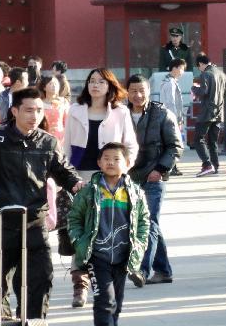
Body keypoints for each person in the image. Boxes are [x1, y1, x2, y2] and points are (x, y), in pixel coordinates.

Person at [0, 87, 83, 320]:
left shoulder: (47, 143)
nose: (34, 116)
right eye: (29, 110)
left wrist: (76, 184)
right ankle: (1, 319)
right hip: (2, 220)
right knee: (0, 280)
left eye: (39, 110)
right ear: (14, 111)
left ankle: (34, 321)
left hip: (35, 220)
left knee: (40, 276)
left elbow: (63, 170)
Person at [64, 67, 140, 307]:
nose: (95, 85)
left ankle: (124, 266)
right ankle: (80, 283)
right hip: (81, 176)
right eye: (91, 81)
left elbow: (130, 146)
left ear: (110, 86)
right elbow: (66, 147)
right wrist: (67, 177)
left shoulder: (120, 112)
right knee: (80, 228)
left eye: (100, 82)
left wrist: (122, 171)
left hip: (110, 177)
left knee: (110, 226)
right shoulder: (75, 110)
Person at [67, 142, 150, 326]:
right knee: (105, 301)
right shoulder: (89, 191)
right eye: (106, 159)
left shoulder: (135, 193)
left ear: (128, 163)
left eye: (116, 159)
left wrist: (139, 245)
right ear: (99, 162)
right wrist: (80, 243)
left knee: (116, 303)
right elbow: (74, 219)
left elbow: (144, 222)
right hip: (97, 257)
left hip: (123, 257)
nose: (110, 162)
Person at [126, 75, 183, 286]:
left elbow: (175, 146)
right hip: (129, 177)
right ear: (127, 93)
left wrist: (160, 169)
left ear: (149, 91)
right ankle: (164, 270)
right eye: (133, 91)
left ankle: (142, 270)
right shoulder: (120, 114)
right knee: (150, 225)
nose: (138, 95)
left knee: (148, 223)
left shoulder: (162, 113)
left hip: (153, 176)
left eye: (142, 90)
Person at [192, 53, 226, 178]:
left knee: (198, 139)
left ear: (201, 64)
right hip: (219, 112)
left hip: (207, 112)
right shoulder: (222, 74)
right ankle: (215, 166)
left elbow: (204, 91)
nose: (199, 69)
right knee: (213, 141)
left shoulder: (206, 74)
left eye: (199, 67)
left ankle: (207, 164)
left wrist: (194, 88)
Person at [159, 58, 187, 150]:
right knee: (173, 146)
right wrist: (176, 119)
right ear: (175, 68)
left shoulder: (169, 81)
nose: (182, 72)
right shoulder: (170, 83)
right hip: (170, 119)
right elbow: (171, 103)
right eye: (182, 69)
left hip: (169, 118)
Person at [38, 73, 69, 143]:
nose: (54, 85)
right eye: (51, 83)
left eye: (56, 83)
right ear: (44, 87)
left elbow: (67, 121)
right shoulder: (39, 103)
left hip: (61, 137)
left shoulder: (63, 102)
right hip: (43, 136)